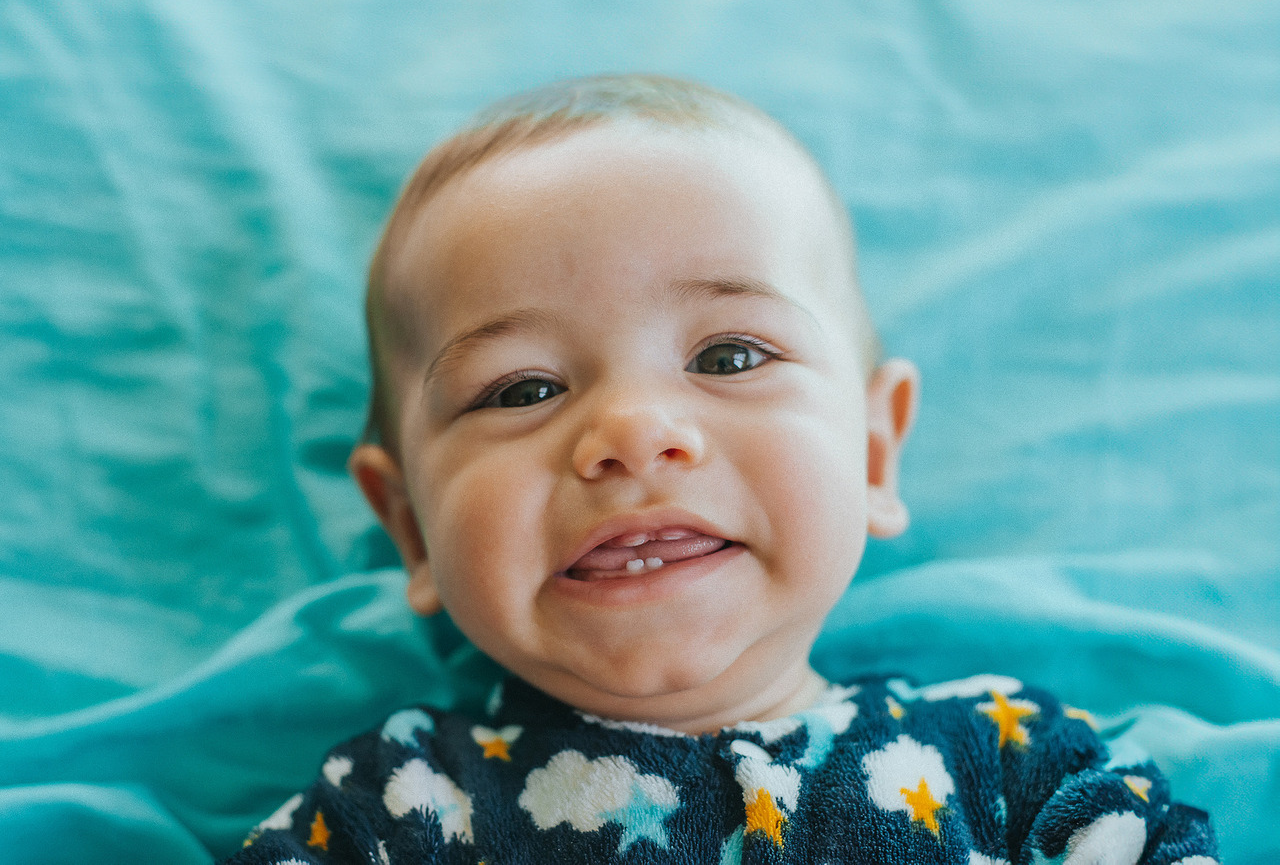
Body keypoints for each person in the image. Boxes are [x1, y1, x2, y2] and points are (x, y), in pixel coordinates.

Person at [225, 74, 1217, 864]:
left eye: (728, 357)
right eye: (522, 389)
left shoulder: (1012, 764)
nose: (632, 432)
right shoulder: (395, 807)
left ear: (872, 451)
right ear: (409, 527)